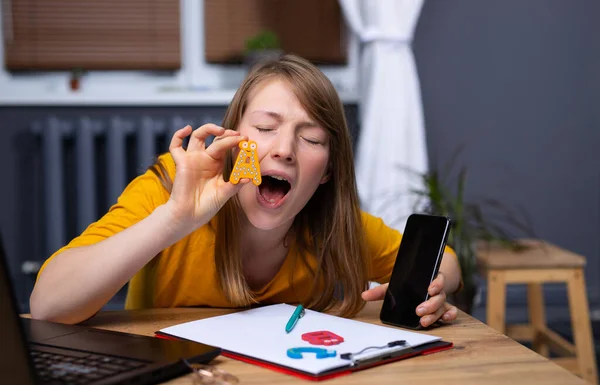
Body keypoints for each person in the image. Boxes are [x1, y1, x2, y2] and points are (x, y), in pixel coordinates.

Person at [30, 54, 461, 327]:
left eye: (310, 139)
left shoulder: (333, 225)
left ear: (327, 170)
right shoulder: (167, 188)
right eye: (266, 128)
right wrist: (175, 218)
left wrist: (434, 286)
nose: (285, 149)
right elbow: (48, 305)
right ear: (236, 143)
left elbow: (445, 261)